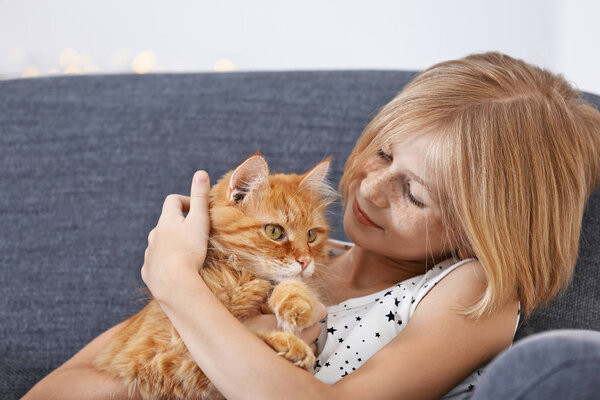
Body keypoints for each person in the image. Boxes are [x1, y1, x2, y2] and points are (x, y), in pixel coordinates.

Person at [23, 51, 600, 400]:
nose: (370, 188)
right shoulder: (275, 255)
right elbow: (60, 389)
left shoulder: (469, 292)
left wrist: (174, 282)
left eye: (414, 193)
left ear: (485, 230)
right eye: (381, 154)